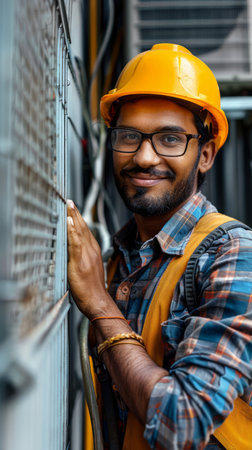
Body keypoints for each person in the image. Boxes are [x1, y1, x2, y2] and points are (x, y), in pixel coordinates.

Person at [67, 44, 252, 449]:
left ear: (205, 154)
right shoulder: (118, 262)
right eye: (129, 136)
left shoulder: (234, 256)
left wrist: (100, 304)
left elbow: (181, 424)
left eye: (170, 139)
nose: (144, 157)